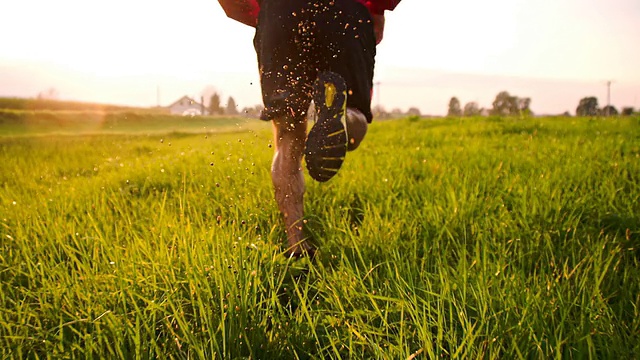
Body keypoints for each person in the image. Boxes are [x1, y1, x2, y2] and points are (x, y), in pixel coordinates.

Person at [223, 0, 401, 257]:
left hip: (281, 12)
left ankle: (296, 243)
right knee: (355, 111)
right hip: (347, 11)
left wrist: (262, 17)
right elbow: (379, 23)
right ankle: (343, 116)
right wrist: (376, 14)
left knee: (287, 134)